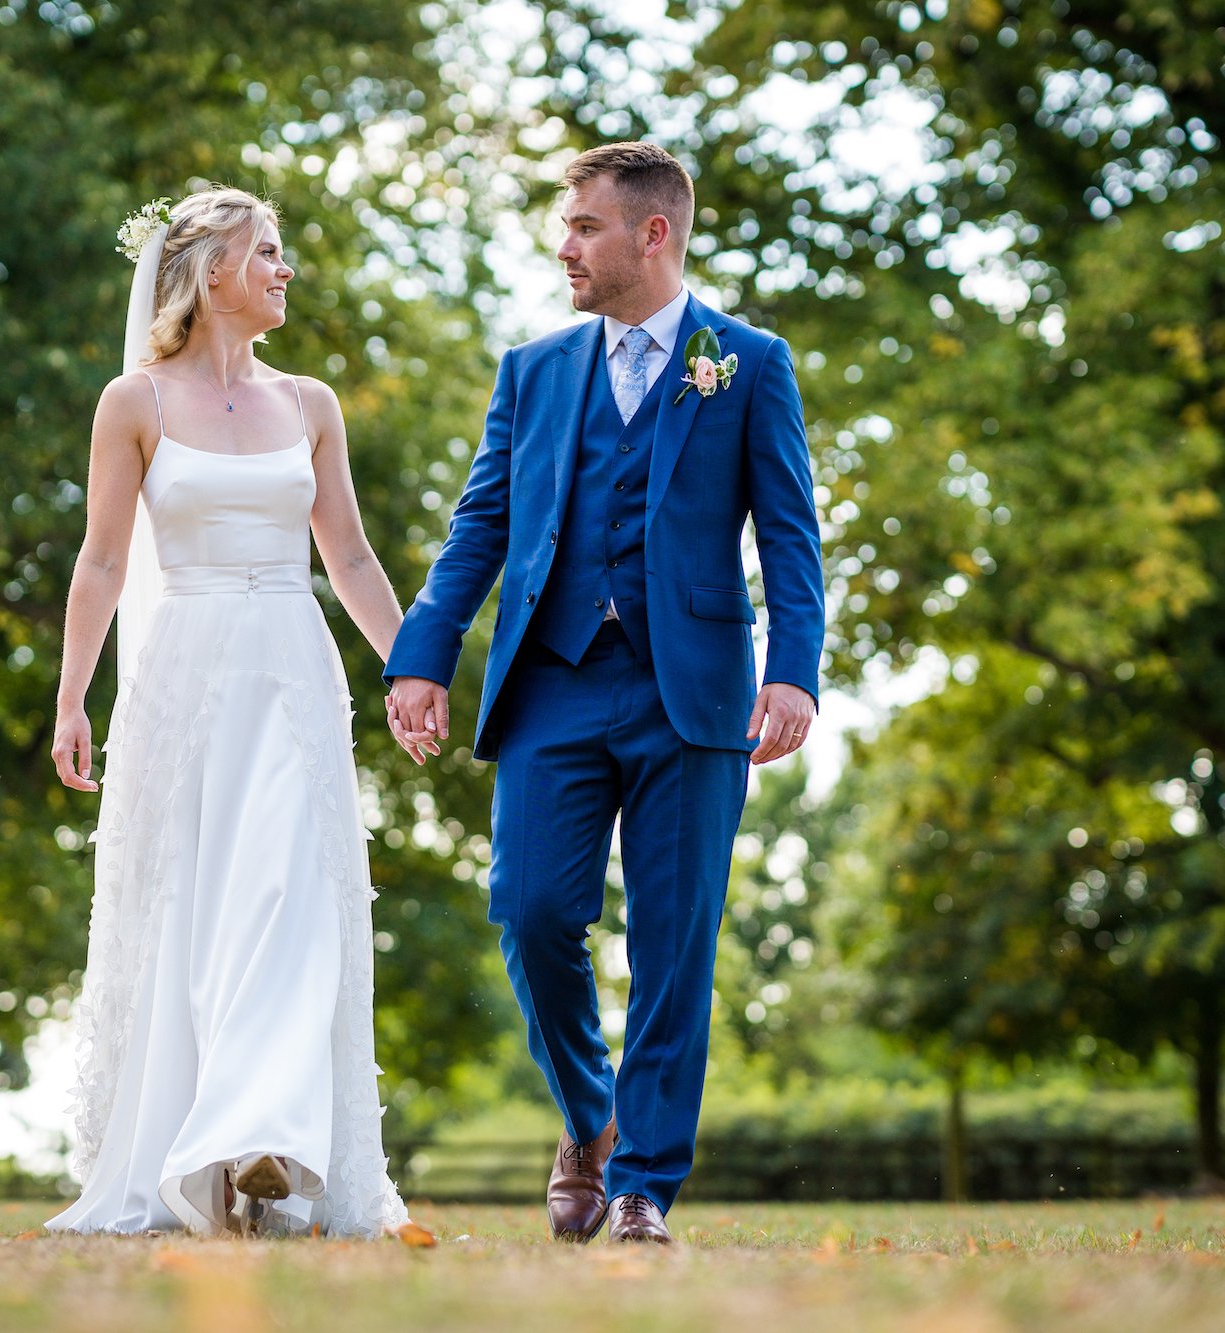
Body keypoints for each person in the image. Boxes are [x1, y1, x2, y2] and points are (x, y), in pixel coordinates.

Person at [384, 143, 825, 1245]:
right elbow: (479, 522)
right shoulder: (531, 370)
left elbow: (788, 534)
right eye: (565, 223)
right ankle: (590, 1117)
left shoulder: (748, 363)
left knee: (675, 941)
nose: (563, 243)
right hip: (551, 686)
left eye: (582, 224)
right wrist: (422, 652)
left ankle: (641, 1186)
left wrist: (793, 670)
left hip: (695, 692)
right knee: (530, 911)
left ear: (652, 234)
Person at [46, 187, 409, 1238]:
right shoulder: (135, 404)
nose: (284, 270)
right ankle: (199, 1158)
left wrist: (410, 670)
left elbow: (346, 554)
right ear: (210, 275)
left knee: (287, 900)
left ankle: (267, 1140)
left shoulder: (311, 405)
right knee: (196, 910)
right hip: (184, 674)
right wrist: (73, 695)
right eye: (268, 253)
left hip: (292, 670)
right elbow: (103, 559)